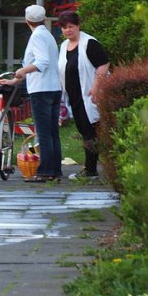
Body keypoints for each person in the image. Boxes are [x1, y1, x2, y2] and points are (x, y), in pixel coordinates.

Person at [0, 5, 63, 182]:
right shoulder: (48, 35)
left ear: (27, 21)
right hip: (54, 88)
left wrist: (22, 71)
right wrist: (15, 81)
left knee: (43, 133)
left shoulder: (37, 36)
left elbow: (41, 63)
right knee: (51, 133)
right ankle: (55, 170)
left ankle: (45, 171)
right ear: (43, 19)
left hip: (41, 91)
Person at [57, 11, 110, 180]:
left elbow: (103, 64)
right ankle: (90, 168)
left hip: (90, 95)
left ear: (78, 26)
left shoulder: (89, 43)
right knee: (84, 131)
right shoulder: (64, 46)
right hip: (75, 96)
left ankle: (91, 170)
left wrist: (96, 87)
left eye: (71, 26)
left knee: (91, 131)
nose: (68, 30)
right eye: (64, 28)